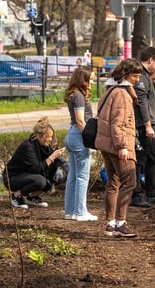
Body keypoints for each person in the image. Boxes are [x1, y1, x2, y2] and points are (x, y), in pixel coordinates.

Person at [95, 58, 142, 237]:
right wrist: (122, 146)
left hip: (106, 144)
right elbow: (118, 124)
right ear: (125, 74)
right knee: (129, 181)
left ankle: (110, 223)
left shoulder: (110, 90)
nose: (137, 79)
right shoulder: (122, 95)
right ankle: (121, 222)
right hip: (118, 145)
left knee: (113, 183)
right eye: (135, 75)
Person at [130, 46, 155, 208]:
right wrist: (147, 125)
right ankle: (136, 194)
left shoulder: (146, 76)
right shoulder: (140, 77)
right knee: (140, 160)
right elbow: (141, 103)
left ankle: (152, 193)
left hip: (151, 124)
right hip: (144, 126)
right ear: (151, 60)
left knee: (153, 157)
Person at [4, 117, 65, 209]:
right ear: (40, 136)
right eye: (48, 137)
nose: (50, 139)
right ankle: (16, 196)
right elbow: (37, 169)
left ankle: (32, 197)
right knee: (40, 181)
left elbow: (50, 166)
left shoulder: (45, 147)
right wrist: (52, 157)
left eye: (52, 137)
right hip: (13, 177)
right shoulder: (28, 147)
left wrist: (58, 162)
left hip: (29, 175)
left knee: (60, 174)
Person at [62, 67, 98, 221]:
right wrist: (91, 138)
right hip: (79, 136)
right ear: (83, 79)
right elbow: (80, 121)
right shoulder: (79, 97)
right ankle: (81, 212)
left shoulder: (73, 95)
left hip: (72, 134)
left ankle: (70, 211)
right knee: (82, 176)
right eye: (90, 79)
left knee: (73, 175)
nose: (92, 82)